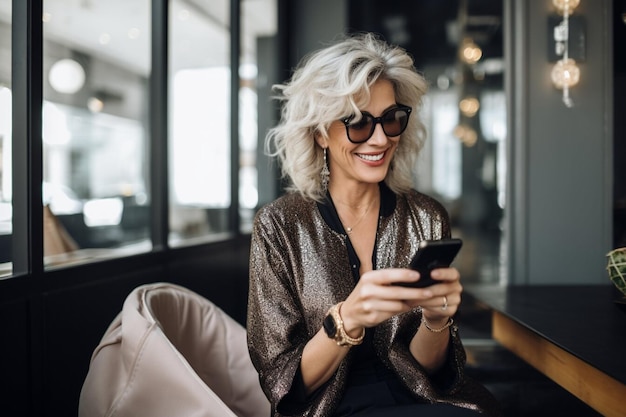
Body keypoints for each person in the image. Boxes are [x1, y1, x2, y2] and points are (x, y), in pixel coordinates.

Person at [247, 32, 501, 417]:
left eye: (391, 119)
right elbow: (283, 383)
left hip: (420, 401)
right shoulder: (279, 225)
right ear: (319, 133)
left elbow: (428, 375)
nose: (380, 138)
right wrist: (347, 319)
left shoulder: (427, 216)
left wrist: (438, 317)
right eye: (357, 123)